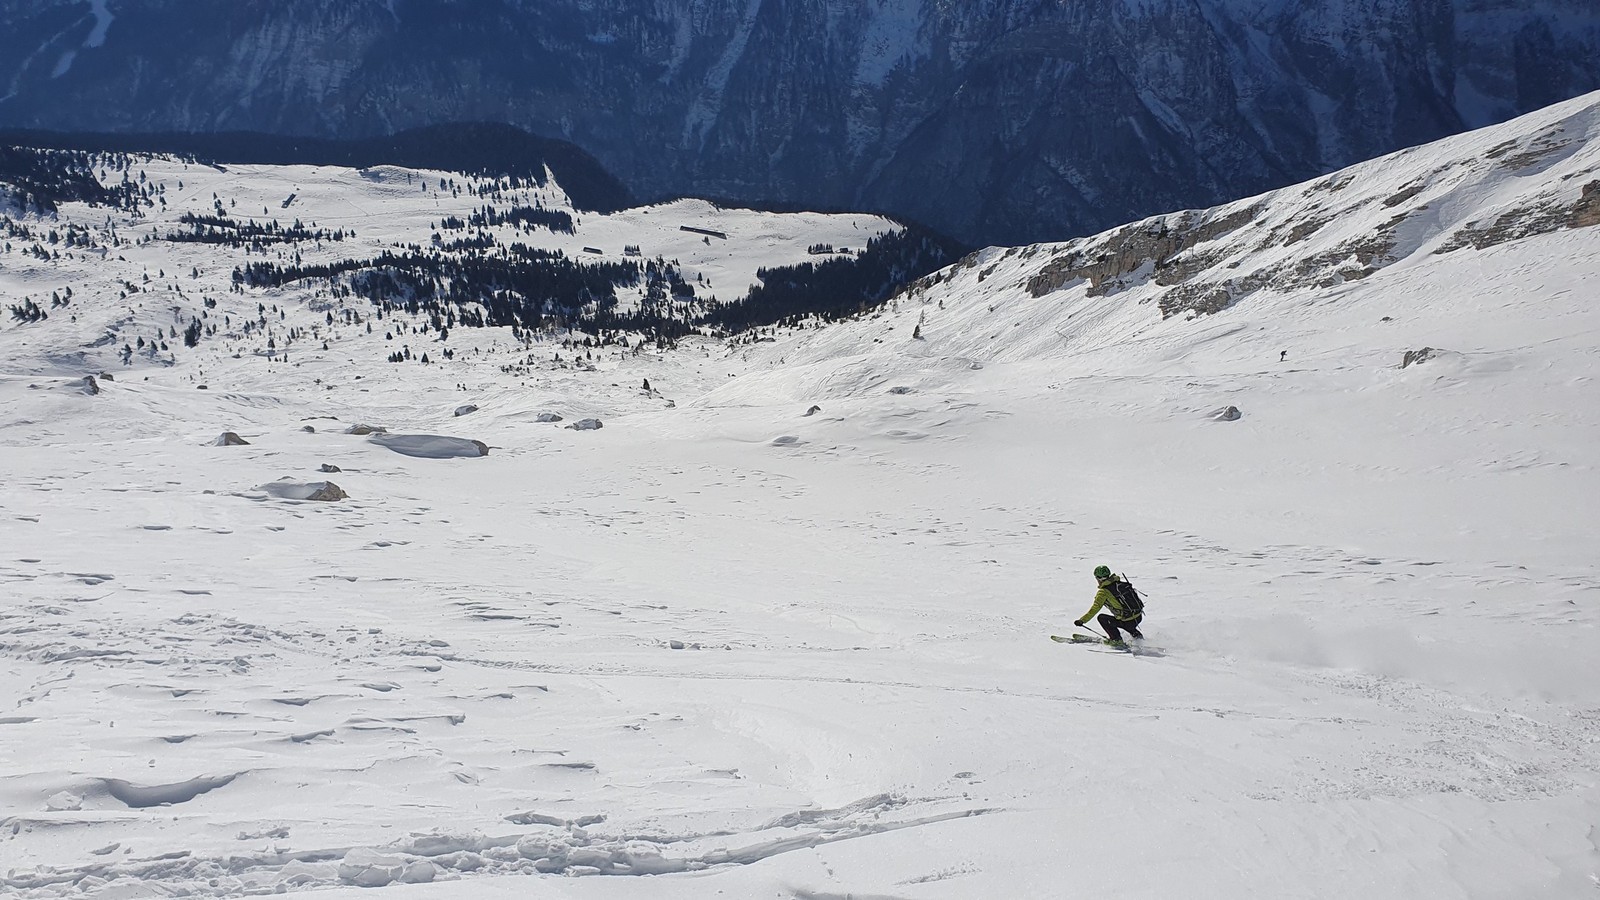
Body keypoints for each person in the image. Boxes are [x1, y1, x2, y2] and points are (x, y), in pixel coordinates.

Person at [1074, 565, 1144, 648]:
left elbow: (1095, 608)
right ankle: (1138, 636)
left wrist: (1082, 620)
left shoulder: (1103, 592)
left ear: (1098, 578)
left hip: (1127, 621)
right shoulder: (1120, 584)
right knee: (1126, 621)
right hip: (1138, 617)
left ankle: (1116, 640)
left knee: (1102, 618)